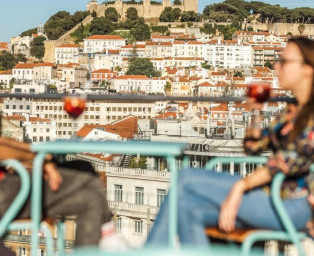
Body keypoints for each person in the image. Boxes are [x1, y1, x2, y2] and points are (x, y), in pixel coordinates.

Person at [146, 37, 314, 246]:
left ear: (308, 68)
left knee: (185, 177)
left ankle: (149, 251)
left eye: (284, 61)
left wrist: (239, 188)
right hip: (271, 197)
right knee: (187, 206)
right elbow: (253, 148)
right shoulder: (291, 112)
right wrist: (256, 113)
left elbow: (286, 161)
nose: (276, 66)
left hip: (292, 205)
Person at [0, 137, 113, 248]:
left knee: (92, 200)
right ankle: (109, 235)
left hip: (11, 196)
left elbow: (3, 141)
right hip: (5, 194)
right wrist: (43, 158)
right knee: (84, 170)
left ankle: (106, 237)